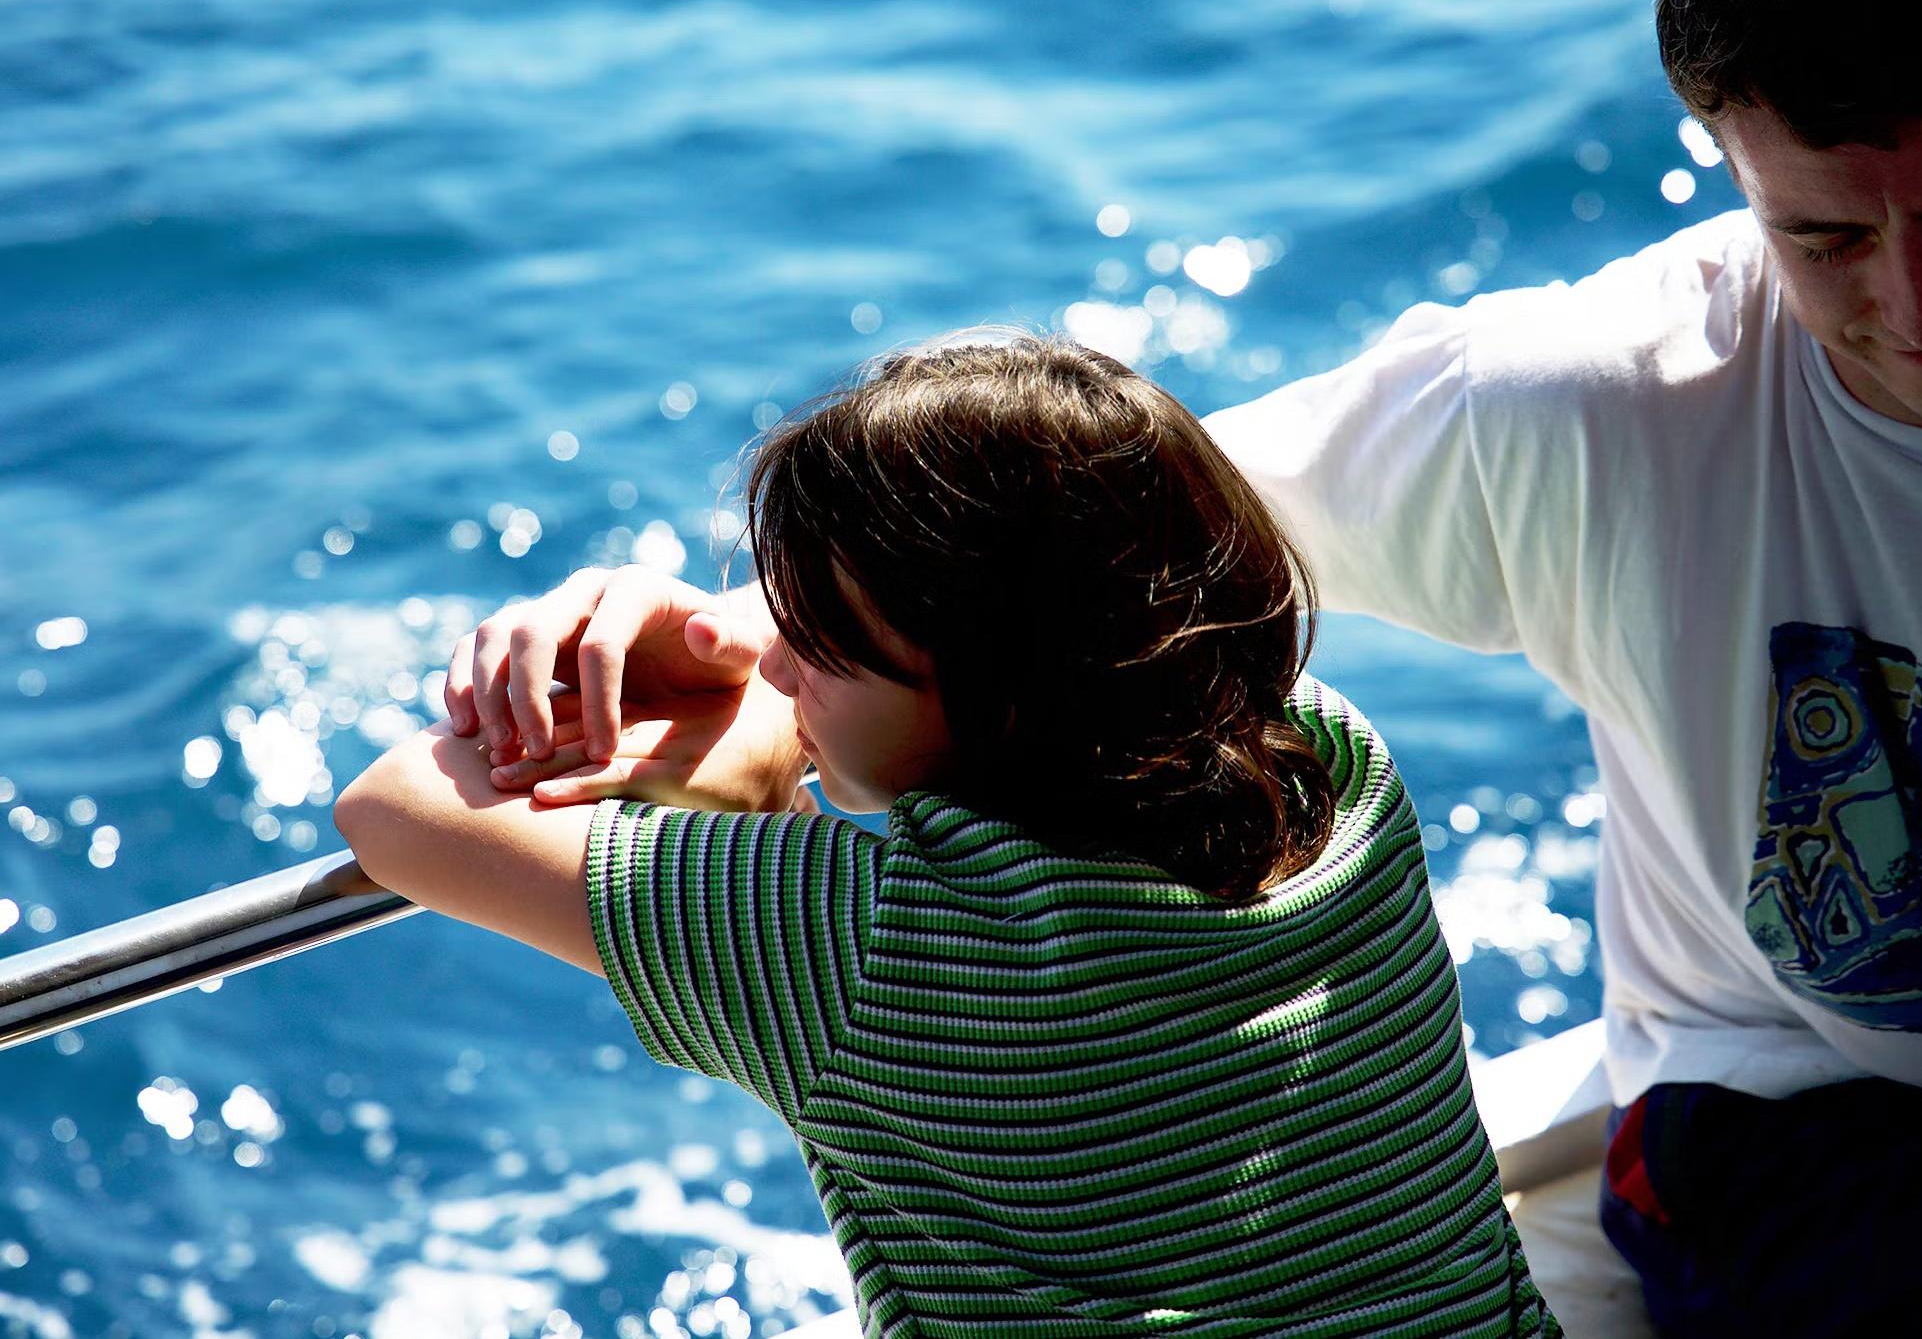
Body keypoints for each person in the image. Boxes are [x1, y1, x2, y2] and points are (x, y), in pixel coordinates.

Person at [444, 0, 1922, 1331]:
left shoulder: (856, 959)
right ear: (1728, 171)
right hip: (1800, 1116)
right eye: (1823, 235)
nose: (1919, 308)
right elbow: (1078, 544)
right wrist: (753, 636)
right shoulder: (1592, 407)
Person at [339, 336, 1561, 1337]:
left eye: (816, 639)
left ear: (999, 690)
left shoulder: (873, 947)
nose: (768, 654)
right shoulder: (1332, 767)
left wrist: (730, 705)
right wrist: (800, 684)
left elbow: (396, 810)